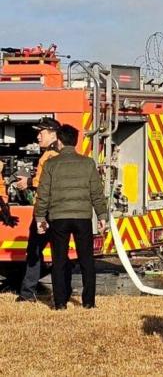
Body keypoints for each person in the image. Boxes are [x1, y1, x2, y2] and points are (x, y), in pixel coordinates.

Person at [34, 124, 108, 310]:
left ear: (59, 141)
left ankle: (60, 303)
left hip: (58, 218)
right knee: (86, 260)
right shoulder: (88, 163)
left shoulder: (51, 164)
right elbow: (97, 193)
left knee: (59, 261)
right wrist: (102, 215)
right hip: (82, 217)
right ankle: (89, 302)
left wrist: (40, 218)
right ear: (74, 142)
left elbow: (43, 194)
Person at [16, 117, 70, 303]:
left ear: (53, 133)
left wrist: (27, 182)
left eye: (41, 133)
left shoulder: (50, 155)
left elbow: (44, 180)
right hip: (62, 209)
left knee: (35, 252)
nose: (38, 136)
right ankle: (64, 293)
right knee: (60, 253)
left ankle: (27, 293)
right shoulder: (63, 151)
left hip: (46, 210)